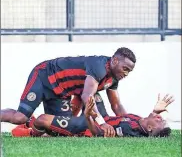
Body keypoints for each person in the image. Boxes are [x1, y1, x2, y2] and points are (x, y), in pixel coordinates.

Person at [1, 47, 136, 137]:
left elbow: (116, 105)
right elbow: (86, 95)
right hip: (45, 76)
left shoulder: (113, 78)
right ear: (115, 60)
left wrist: (131, 121)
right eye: (125, 68)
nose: (126, 73)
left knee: (59, 131)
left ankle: (29, 127)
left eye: (129, 71)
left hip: (61, 93)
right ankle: (26, 122)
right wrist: (102, 123)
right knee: (19, 117)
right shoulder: (99, 66)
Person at [13, 94, 174, 138]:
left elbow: (97, 133)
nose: (161, 117)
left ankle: (33, 132)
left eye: (160, 121)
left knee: (42, 119)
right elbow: (121, 116)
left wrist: (89, 115)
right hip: (102, 117)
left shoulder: (128, 130)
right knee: (91, 91)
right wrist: (156, 111)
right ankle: (65, 119)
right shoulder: (140, 121)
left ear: (150, 128)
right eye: (162, 117)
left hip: (86, 126)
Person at [11, 93, 109, 137]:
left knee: (45, 127)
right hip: (84, 124)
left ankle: (30, 124)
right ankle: (31, 125)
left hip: (82, 126)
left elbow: (14, 132)